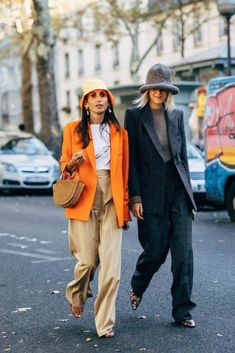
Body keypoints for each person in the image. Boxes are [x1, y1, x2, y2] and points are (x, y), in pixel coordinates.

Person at [124, 63, 197, 328]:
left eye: (163, 89)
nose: (159, 93)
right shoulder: (134, 116)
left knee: (183, 254)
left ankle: (183, 310)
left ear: (168, 92)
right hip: (150, 191)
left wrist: (189, 194)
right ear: (148, 89)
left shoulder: (176, 116)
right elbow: (130, 160)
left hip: (177, 190)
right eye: (155, 88)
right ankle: (138, 283)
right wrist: (135, 197)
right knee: (156, 249)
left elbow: (183, 158)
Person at [60, 78, 130, 338]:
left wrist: (125, 207)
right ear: (86, 103)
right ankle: (77, 294)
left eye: (103, 95)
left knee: (111, 269)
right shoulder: (72, 130)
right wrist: (71, 164)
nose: (99, 99)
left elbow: (124, 173)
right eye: (94, 96)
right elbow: (63, 166)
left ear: (109, 102)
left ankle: (105, 323)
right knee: (87, 261)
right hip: (84, 198)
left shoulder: (120, 134)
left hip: (112, 200)